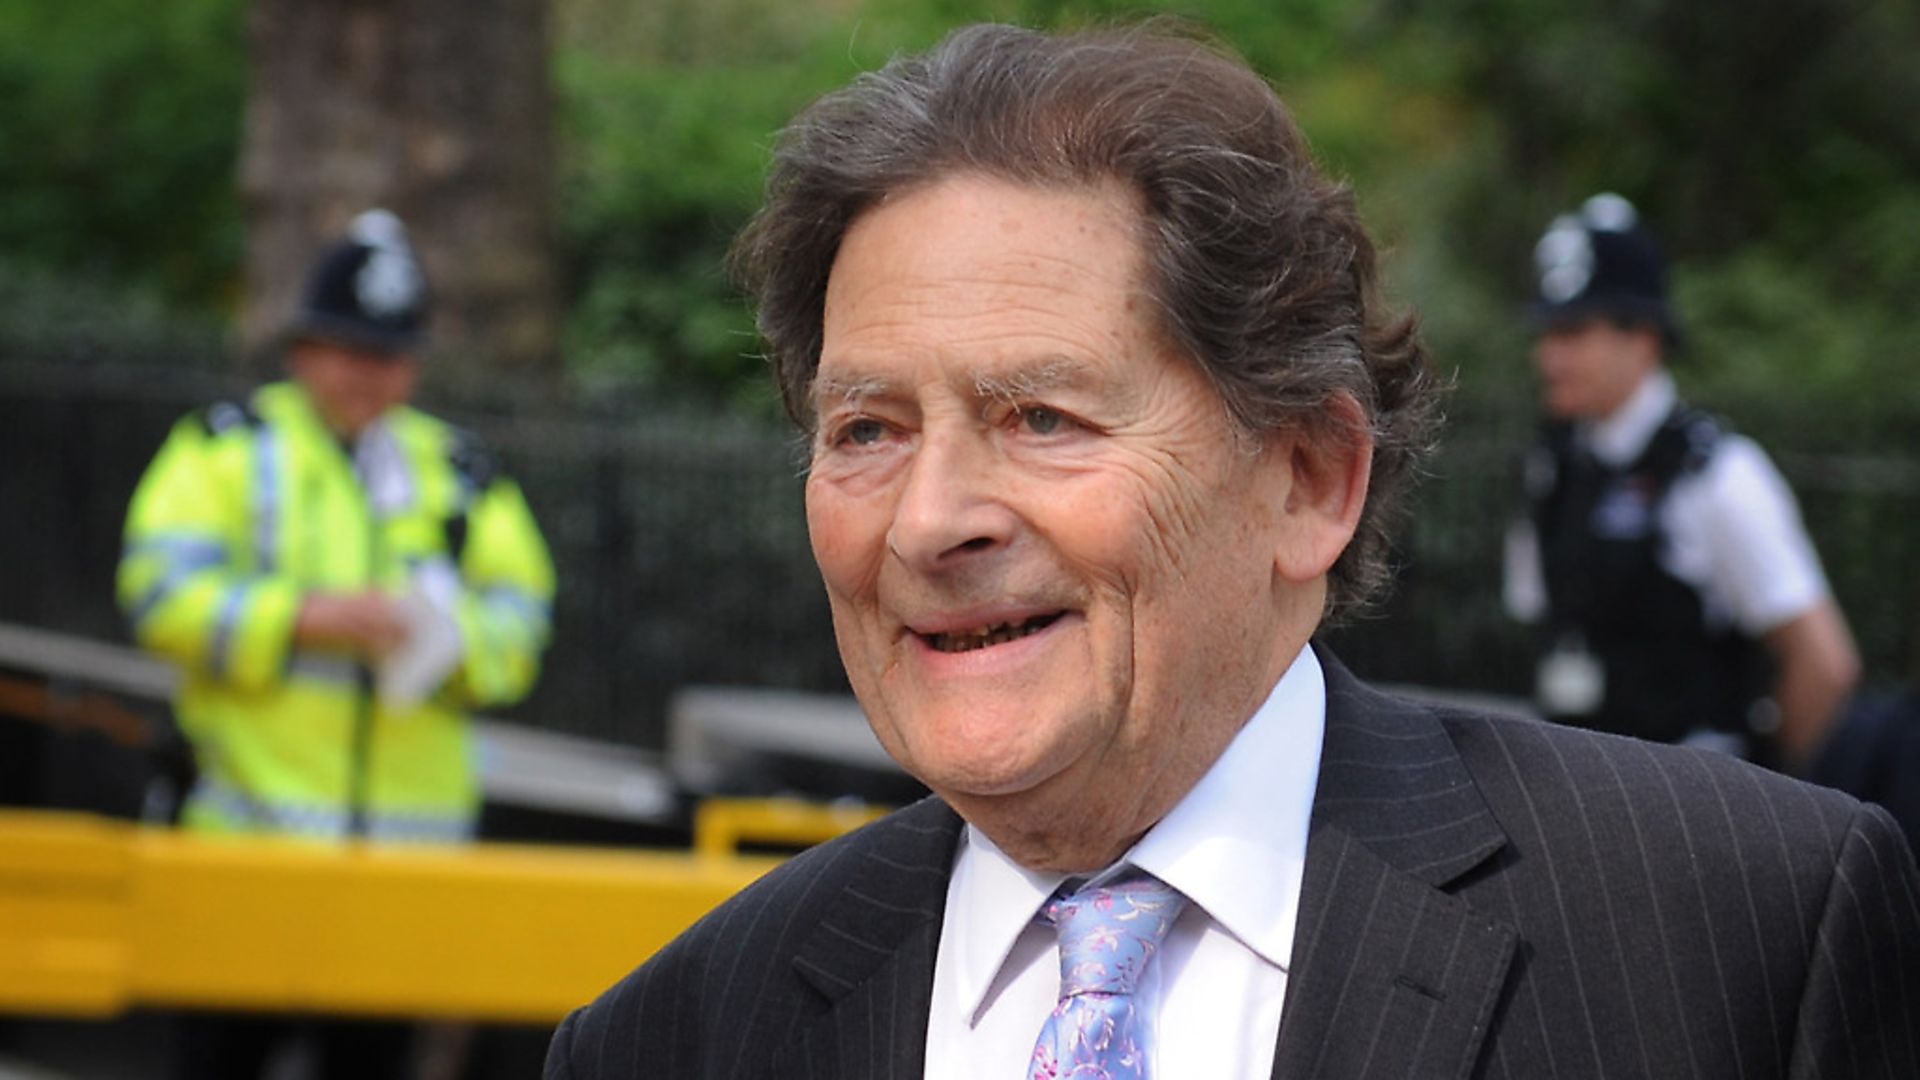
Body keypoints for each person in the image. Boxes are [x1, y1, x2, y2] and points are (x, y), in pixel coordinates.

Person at [546, 24, 1920, 1079]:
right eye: (865, 429)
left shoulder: (1739, 938)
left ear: (1311, 479)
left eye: (1042, 416)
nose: (927, 519)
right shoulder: (674, 1036)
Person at [118, 209, 556, 1078]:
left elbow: (523, 618)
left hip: (400, 873)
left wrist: (449, 643)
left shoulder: (458, 470)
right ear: (303, 350)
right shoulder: (226, 451)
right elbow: (157, 594)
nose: (373, 378)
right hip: (248, 855)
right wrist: (302, 618)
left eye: (391, 358)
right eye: (353, 353)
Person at [1503, 193, 1861, 770]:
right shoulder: (1554, 470)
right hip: (1578, 795)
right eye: (1545, 333)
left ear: (1642, 339)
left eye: (1573, 331)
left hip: (1694, 814)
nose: (1550, 356)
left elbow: (1823, 664)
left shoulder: (1717, 474)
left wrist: (1777, 803)